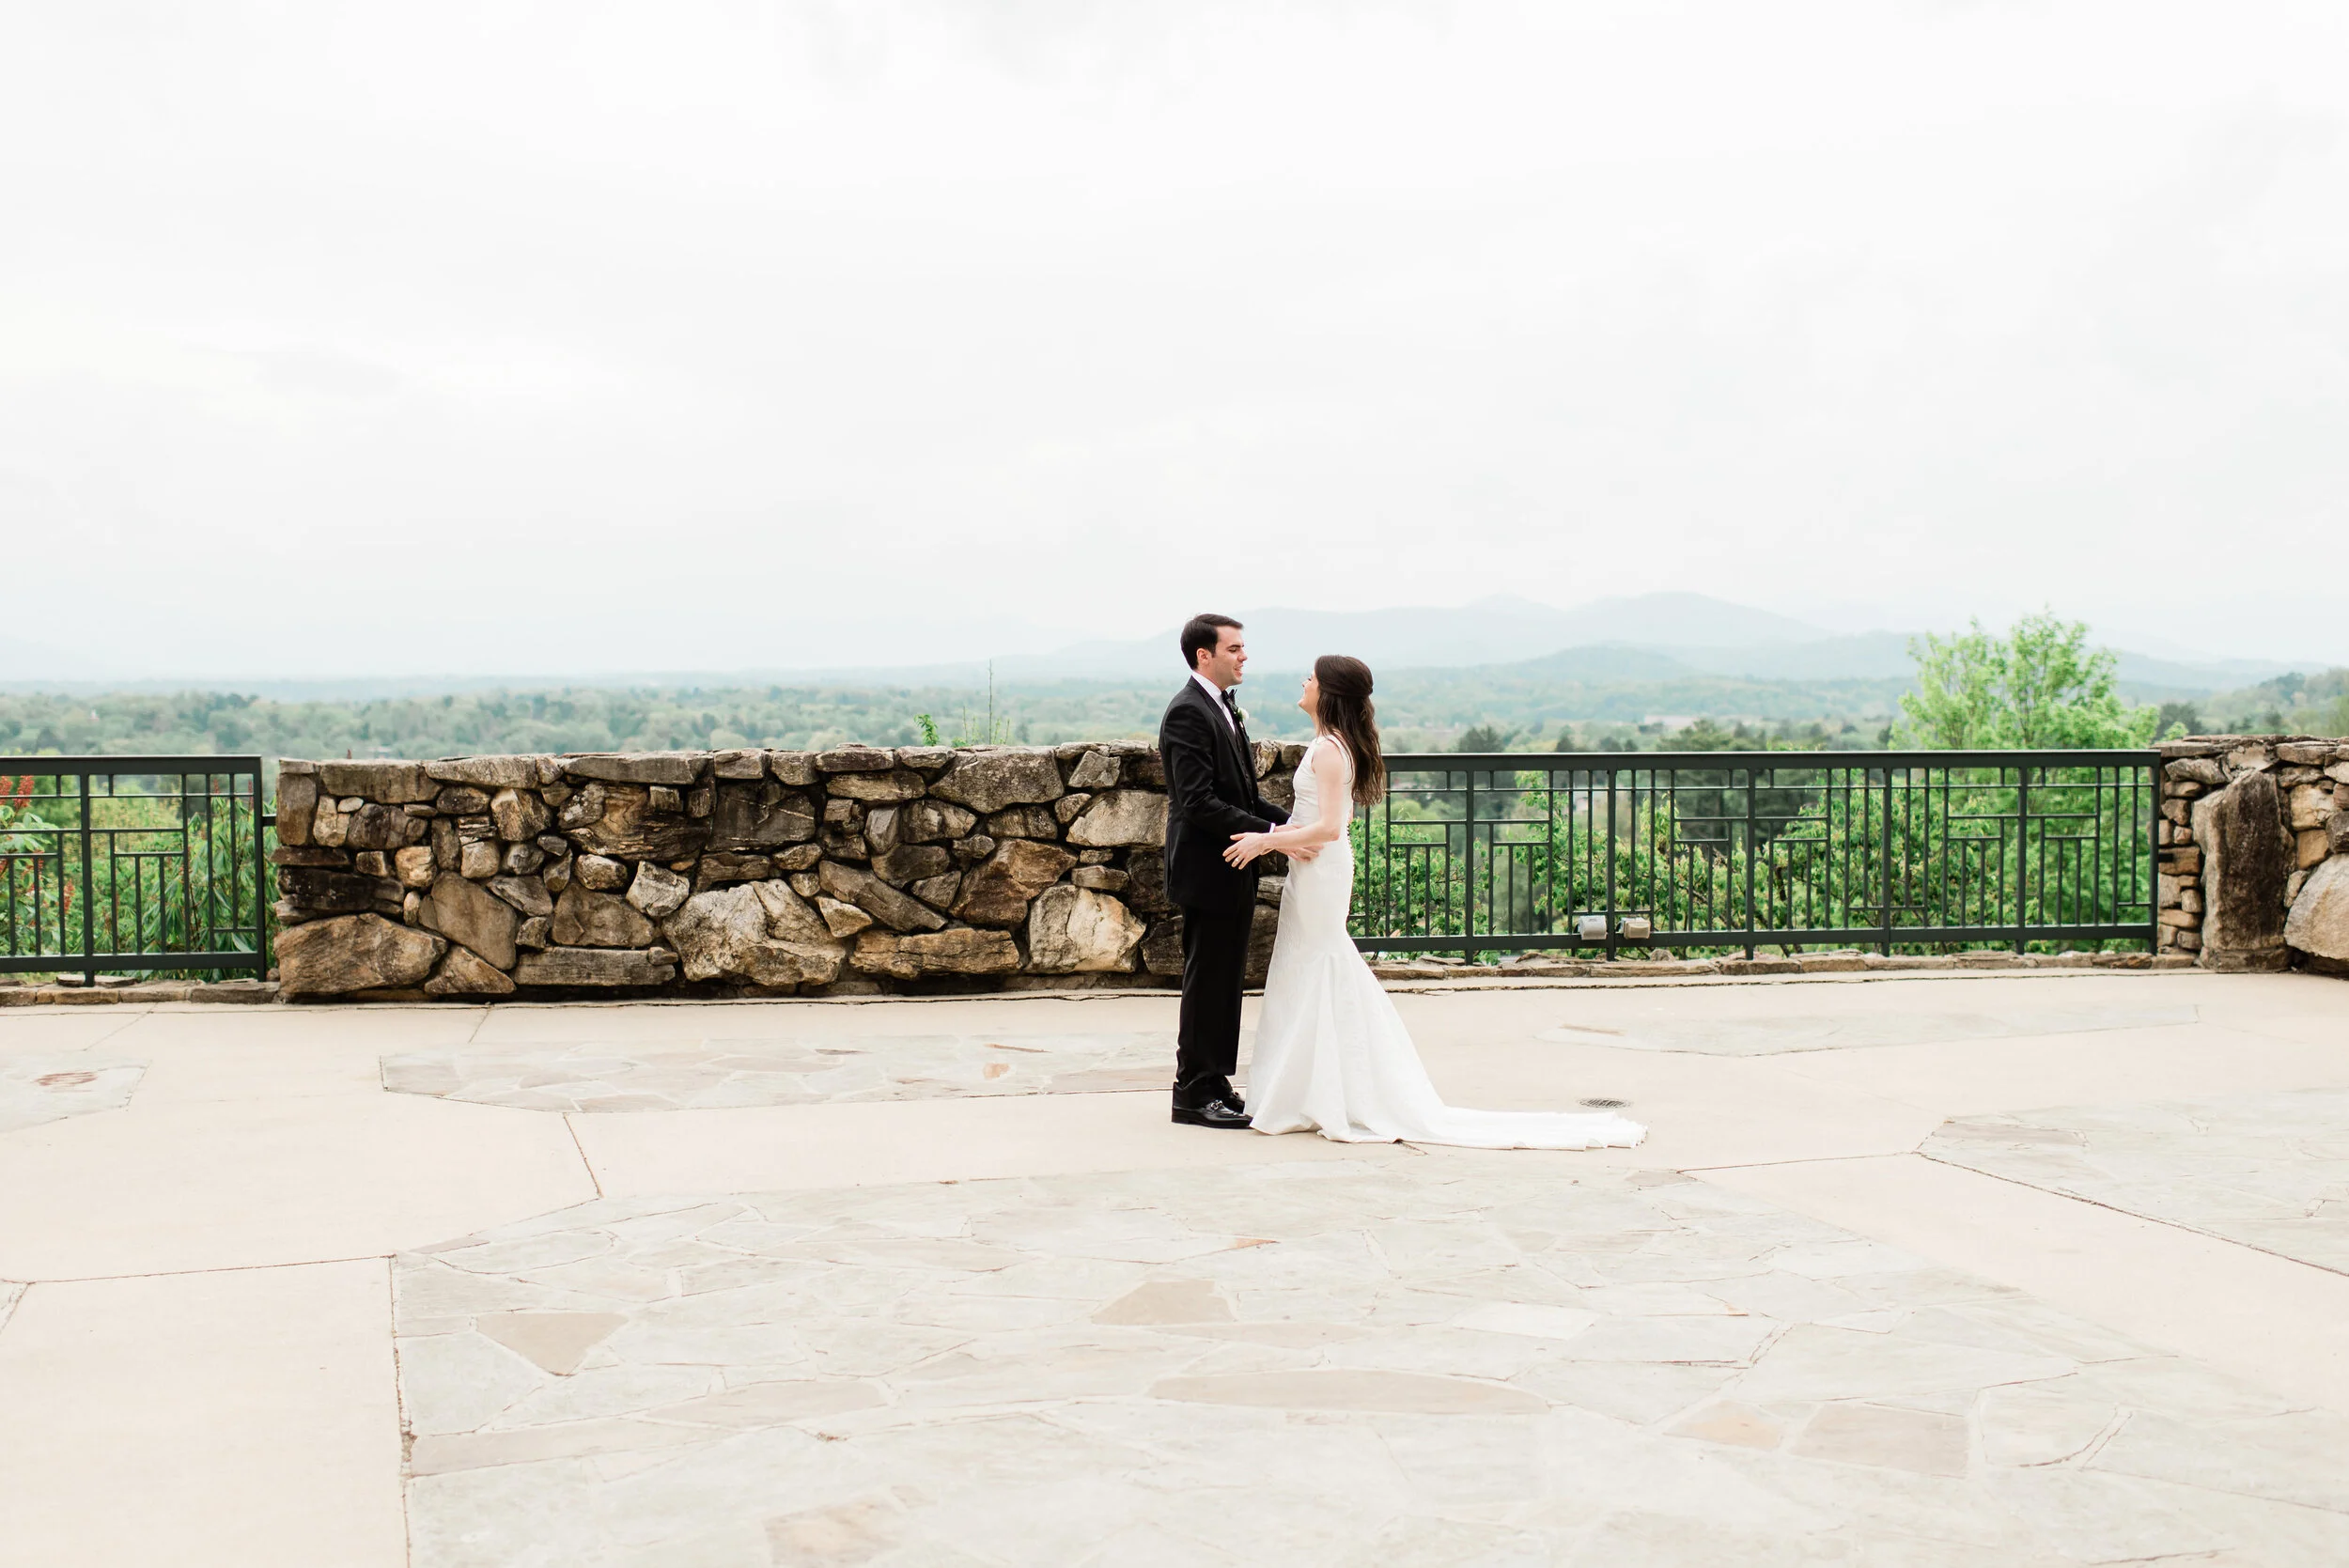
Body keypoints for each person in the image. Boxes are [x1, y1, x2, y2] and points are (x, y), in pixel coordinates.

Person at [1224, 655, 1647, 1149]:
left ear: (1329, 692)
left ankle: (1331, 1091)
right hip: (1311, 869)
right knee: (1306, 969)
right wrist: (1287, 838)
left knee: (1320, 966)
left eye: (1312, 678)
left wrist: (1263, 841)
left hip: (1322, 873)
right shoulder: (1327, 744)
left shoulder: (1331, 752)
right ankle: (1306, 1090)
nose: (1304, 682)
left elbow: (1333, 827)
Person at [1157, 613, 1311, 1129]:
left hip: (1232, 866)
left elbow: (1242, 795)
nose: (1244, 656)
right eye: (1235, 649)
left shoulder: (1221, 707)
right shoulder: (1187, 713)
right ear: (1205, 655)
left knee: (1225, 980)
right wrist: (1276, 839)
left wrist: (1290, 825)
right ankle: (1192, 1092)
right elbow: (1198, 802)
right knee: (1208, 980)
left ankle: (1216, 1082)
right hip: (1209, 867)